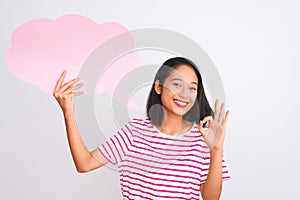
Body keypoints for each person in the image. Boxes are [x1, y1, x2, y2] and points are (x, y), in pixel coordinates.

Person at [53, 57, 230, 200]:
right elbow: (84, 164)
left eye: (192, 88)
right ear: (158, 87)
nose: (185, 94)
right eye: (177, 84)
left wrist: (216, 150)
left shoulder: (203, 138)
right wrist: (68, 114)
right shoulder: (134, 132)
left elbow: (211, 198)